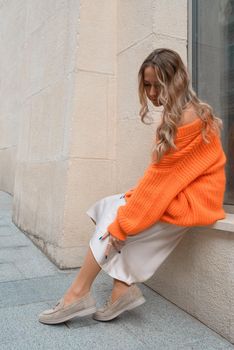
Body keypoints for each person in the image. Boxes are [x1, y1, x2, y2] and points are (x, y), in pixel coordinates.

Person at [38, 48, 226, 325]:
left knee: (117, 217)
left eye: (157, 85)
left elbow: (161, 183)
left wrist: (123, 226)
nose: (150, 93)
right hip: (189, 193)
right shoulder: (185, 112)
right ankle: (120, 290)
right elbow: (160, 178)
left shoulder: (184, 119)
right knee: (116, 205)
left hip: (192, 200)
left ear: (175, 81)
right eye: (147, 85)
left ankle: (78, 293)